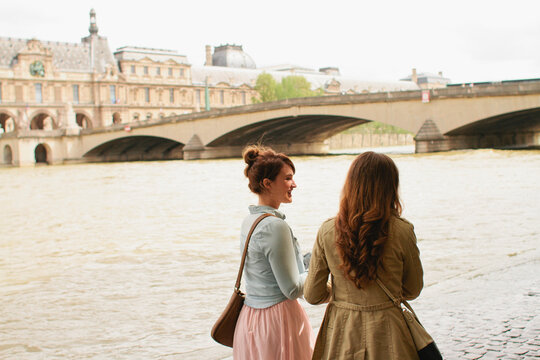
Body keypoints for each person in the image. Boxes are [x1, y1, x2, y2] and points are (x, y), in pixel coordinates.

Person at [304, 151, 424, 360]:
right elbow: (413, 289)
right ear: (391, 187)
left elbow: (312, 295)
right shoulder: (403, 230)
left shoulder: (327, 230)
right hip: (391, 331)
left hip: (342, 330)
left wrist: (340, 292)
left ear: (350, 185)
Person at [233, 145, 314, 360]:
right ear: (267, 184)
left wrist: (314, 257)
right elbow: (292, 289)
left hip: (251, 318)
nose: (294, 184)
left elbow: (272, 270)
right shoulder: (275, 226)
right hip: (278, 320)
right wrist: (321, 269)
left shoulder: (249, 221)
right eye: (288, 179)